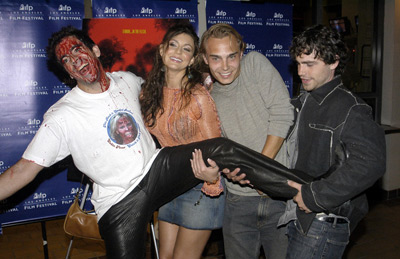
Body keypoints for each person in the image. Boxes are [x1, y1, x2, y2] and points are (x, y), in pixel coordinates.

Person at [0, 26, 307, 259]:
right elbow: (25, 169)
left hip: (155, 171)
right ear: (65, 72)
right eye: (65, 60)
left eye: (78, 50)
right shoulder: (61, 115)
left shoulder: (127, 81)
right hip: (118, 202)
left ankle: (301, 189)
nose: (75, 62)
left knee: (220, 149)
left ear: (94, 49)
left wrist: (206, 80)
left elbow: (174, 95)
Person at [229, 24, 386, 259]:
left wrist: (315, 196)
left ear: (333, 62)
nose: (301, 71)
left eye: (310, 64)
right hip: (300, 215)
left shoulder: (350, 108)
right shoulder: (305, 101)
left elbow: (370, 163)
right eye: (299, 63)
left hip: (324, 220)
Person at [199, 23, 294, 258]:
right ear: (204, 59)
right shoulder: (208, 97)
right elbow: (220, 146)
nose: (225, 67)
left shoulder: (254, 64)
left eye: (231, 57)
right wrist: (227, 169)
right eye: (216, 58)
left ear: (241, 52)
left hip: (278, 195)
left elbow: (283, 114)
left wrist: (258, 171)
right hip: (238, 200)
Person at [140, 24, 224, 259]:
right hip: (170, 186)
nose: (178, 52)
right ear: (161, 50)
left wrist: (212, 180)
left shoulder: (198, 96)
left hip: (200, 186)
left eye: (186, 49)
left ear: (193, 58)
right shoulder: (148, 93)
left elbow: (215, 146)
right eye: (173, 45)